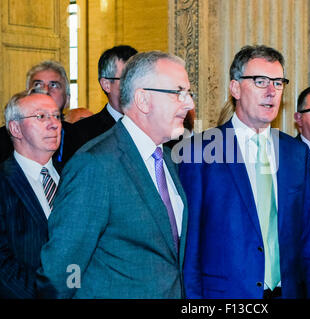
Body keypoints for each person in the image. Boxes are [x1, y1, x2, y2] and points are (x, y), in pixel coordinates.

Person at [177, 45, 310, 299]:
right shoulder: (199, 153)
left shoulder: (295, 153)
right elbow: (189, 248)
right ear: (235, 88)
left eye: (278, 82)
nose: (271, 91)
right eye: (260, 81)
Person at [36, 51, 194, 298]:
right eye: (178, 93)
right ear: (143, 100)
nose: (189, 104)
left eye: (189, 94)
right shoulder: (95, 165)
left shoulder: (167, 161)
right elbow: (61, 271)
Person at [0, 90, 61, 298]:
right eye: (41, 116)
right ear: (15, 128)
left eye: (56, 115)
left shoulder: (76, 175)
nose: (54, 124)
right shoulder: (3, 182)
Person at [0, 61, 75, 171]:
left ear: (67, 99)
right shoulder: (4, 139)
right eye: (38, 85)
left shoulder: (83, 139)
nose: (45, 91)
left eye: (53, 85)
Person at [71, 45, 137, 151]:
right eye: (127, 79)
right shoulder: (81, 133)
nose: (136, 86)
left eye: (139, 78)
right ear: (106, 85)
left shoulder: (156, 128)